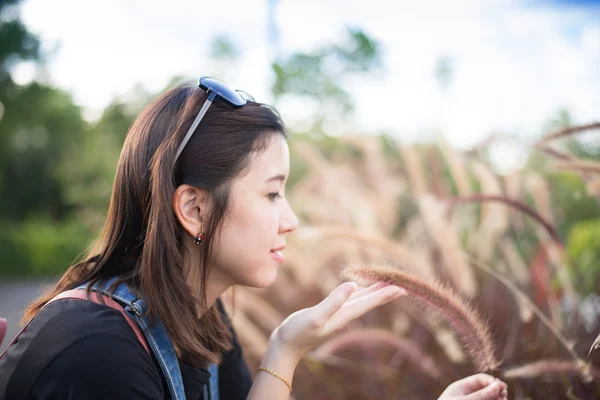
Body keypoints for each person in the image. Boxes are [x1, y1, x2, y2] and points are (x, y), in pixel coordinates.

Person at [0, 77, 508, 400]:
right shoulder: (99, 353)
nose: (291, 220)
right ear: (195, 210)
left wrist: (285, 349)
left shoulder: (200, 319)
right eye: (271, 194)